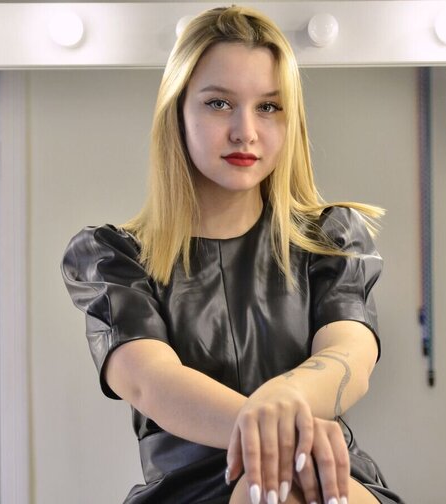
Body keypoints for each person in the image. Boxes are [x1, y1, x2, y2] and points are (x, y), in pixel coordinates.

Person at [61, 6, 402, 504]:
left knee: (289, 486)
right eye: (219, 104)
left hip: (323, 477)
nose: (246, 131)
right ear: (178, 111)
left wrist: (284, 404)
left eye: (269, 107)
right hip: (193, 491)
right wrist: (276, 434)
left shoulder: (331, 237)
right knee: (268, 486)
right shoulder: (112, 257)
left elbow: (350, 355)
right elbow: (152, 382)